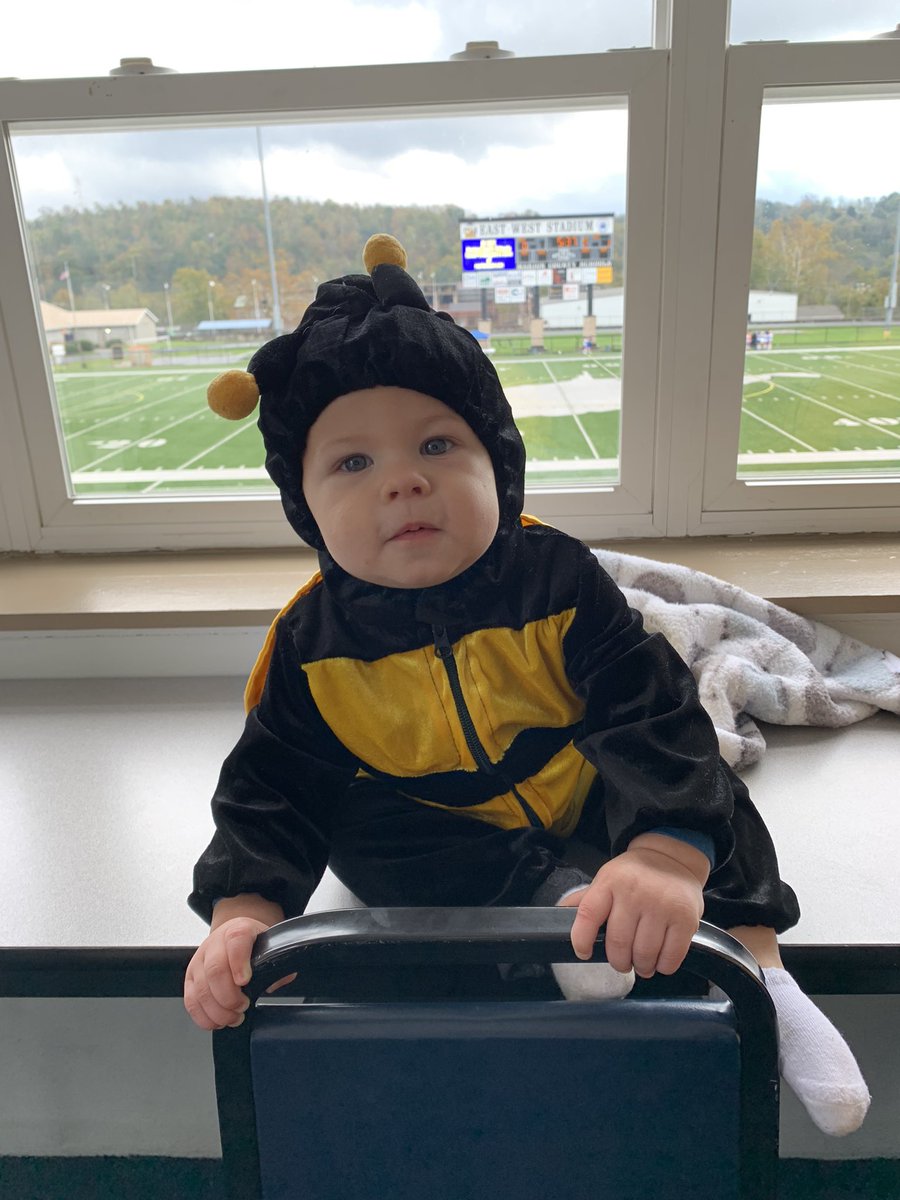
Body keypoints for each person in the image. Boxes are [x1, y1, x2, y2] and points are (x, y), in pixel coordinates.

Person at [184, 234, 869, 1138]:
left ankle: (761, 972)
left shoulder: (559, 579)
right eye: (353, 463)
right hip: (443, 825)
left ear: (498, 463)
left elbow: (645, 709)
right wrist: (243, 913)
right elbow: (269, 790)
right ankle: (557, 910)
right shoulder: (309, 646)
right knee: (365, 831)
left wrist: (663, 855)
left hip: (579, 784)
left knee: (697, 778)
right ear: (303, 504)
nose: (405, 481)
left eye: (437, 443)